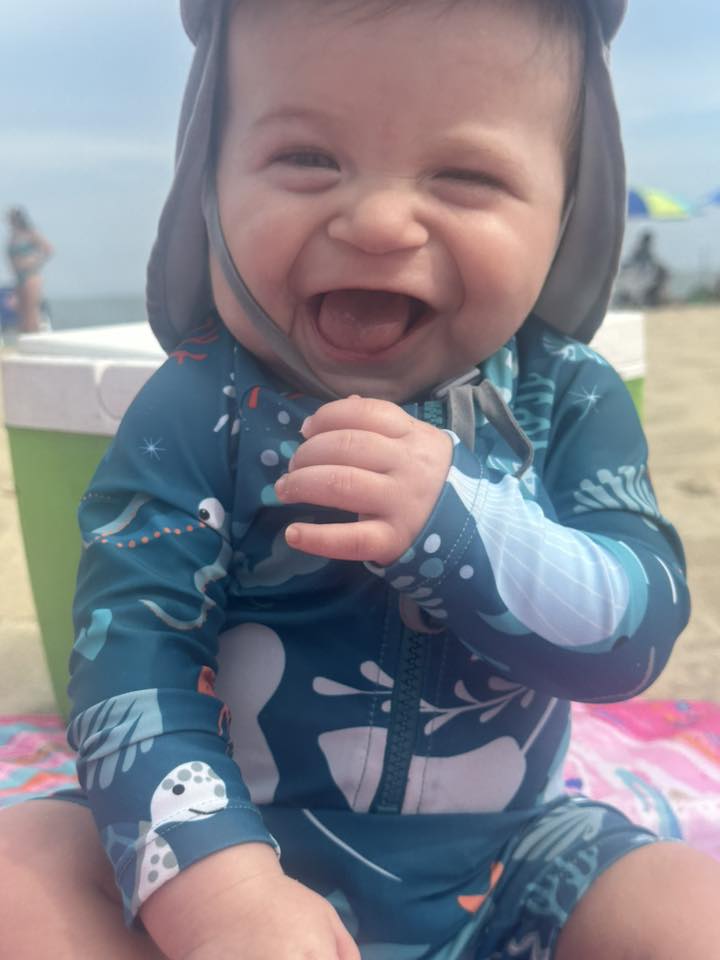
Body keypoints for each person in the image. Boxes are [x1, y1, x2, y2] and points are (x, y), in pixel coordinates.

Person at [1, 1, 719, 957]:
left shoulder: (564, 399)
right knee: (25, 862)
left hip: (510, 870)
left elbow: (634, 636)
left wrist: (467, 529)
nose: (378, 220)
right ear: (205, 186)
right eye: (307, 159)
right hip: (237, 854)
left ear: (565, 214)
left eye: (465, 175)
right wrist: (223, 891)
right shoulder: (195, 406)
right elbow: (129, 661)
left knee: (685, 908)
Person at [5, 206, 53, 333]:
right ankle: (25, 340)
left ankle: (34, 339)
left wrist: (34, 261)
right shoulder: (13, 237)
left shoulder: (31, 233)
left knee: (32, 311)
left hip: (31, 275)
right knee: (21, 311)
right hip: (19, 277)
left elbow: (48, 249)